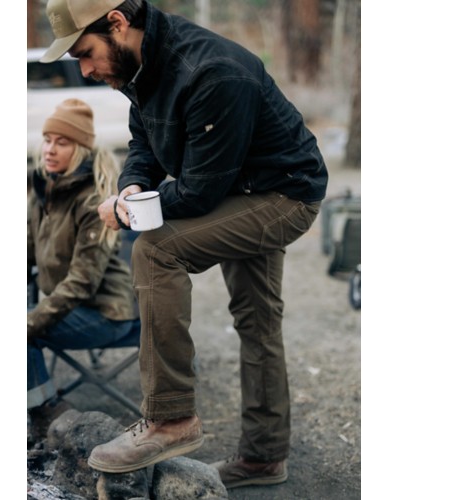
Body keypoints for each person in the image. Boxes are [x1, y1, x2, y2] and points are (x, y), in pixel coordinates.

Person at [39, 0, 328, 488]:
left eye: (85, 53)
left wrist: (127, 210)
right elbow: (142, 144)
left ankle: (171, 417)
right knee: (256, 320)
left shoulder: (211, 71)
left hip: (284, 194)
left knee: (156, 250)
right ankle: (263, 458)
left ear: (117, 23)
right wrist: (130, 186)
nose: (85, 70)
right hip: (240, 186)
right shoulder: (141, 65)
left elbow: (197, 192)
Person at [27, 97, 140, 442]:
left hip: (109, 314)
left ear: (80, 149)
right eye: (48, 140)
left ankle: (47, 411)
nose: (50, 149)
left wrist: (31, 319)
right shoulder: (44, 191)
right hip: (76, 308)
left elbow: (82, 283)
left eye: (62, 142)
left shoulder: (94, 201)